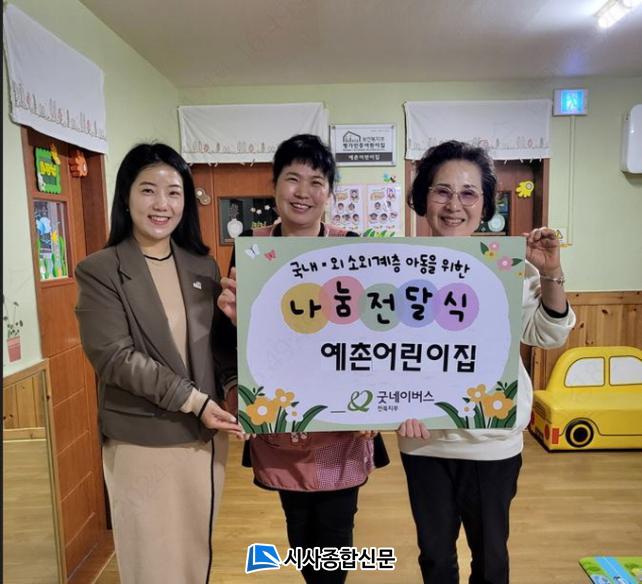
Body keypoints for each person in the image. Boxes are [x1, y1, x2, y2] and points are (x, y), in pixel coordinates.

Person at [398, 140, 576, 584]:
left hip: (491, 440)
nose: (454, 205)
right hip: (423, 440)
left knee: (492, 559)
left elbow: (548, 333)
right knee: (435, 559)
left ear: (484, 203)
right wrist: (391, 406)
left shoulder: (508, 266)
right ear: (423, 197)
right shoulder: (396, 268)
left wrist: (550, 272)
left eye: (468, 193)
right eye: (442, 191)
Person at [218, 134, 388, 584]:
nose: (303, 192)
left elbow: (373, 335)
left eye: (316, 182)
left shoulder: (350, 245)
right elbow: (229, 339)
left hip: (341, 425)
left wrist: (375, 401)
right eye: (292, 179)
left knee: (335, 532)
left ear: (329, 193)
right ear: (274, 186)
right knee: (299, 533)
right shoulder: (252, 248)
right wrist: (234, 336)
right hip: (282, 426)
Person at [74, 143, 243, 584]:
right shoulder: (101, 270)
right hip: (143, 441)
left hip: (203, 441)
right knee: (151, 562)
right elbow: (114, 358)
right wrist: (194, 400)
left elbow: (217, 349)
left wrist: (235, 390)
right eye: (148, 190)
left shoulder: (202, 266)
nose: (161, 204)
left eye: (174, 192)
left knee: (193, 555)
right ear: (126, 196)